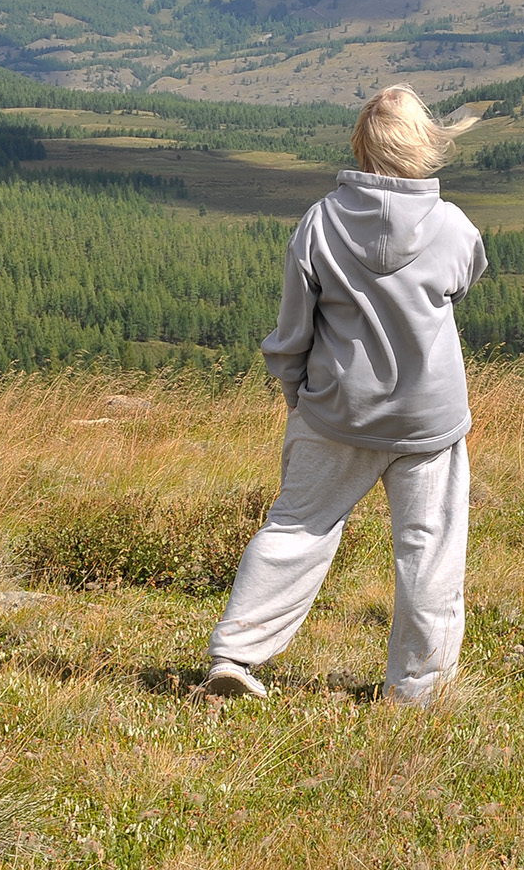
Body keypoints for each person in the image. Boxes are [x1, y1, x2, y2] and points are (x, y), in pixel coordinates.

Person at [203, 86, 485, 705]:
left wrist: (299, 397)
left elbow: (292, 332)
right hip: (429, 419)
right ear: (423, 144)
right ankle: (418, 690)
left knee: (297, 528)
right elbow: (462, 284)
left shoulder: (321, 221)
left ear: (361, 145)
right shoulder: (454, 227)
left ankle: (236, 655)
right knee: (430, 552)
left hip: (335, 410)